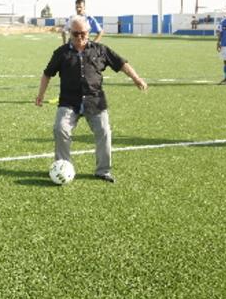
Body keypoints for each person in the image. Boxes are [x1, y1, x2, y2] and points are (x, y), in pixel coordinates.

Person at [35, 16, 148, 183]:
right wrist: (41, 95)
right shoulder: (61, 53)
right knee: (60, 129)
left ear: (88, 32)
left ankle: (103, 171)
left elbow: (121, 63)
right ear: (70, 33)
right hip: (69, 101)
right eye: (75, 34)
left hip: (94, 100)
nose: (80, 37)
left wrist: (136, 78)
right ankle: (63, 167)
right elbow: (47, 74)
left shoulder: (100, 50)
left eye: (83, 33)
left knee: (104, 131)